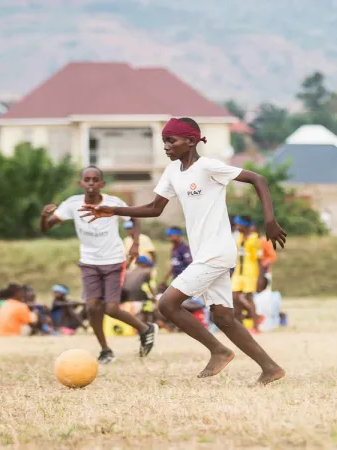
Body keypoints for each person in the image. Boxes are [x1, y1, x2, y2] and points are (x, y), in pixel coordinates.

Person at [79, 117, 286, 385]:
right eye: (164, 140)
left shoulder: (208, 166)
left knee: (166, 304)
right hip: (204, 254)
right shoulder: (172, 172)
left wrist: (269, 220)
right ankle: (270, 368)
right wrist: (114, 210)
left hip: (217, 251)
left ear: (191, 141)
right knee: (223, 317)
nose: (166, 146)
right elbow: (154, 209)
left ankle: (219, 351)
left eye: (171, 140)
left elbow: (257, 179)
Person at [40, 166, 158, 364]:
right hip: (89, 262)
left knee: (111, 308)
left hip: (113, 260)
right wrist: (44, 217)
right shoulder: (72, 204)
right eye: (87, 179)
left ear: (102, 184)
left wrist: (135, 244)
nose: (91, 183)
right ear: (81, 184)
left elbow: (134, 218)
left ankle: (145, 329)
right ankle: (105, 350)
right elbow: (46, 228)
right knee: (92, 306)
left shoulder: (113, 203)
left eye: (95, 180)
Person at [232, 216, 262, 332]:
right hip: (238, 271)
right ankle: (240, 326)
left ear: (245, 226)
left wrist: (259, 277)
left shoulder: (254, 240)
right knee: (234, 297)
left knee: (249, 298)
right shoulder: (238, 238)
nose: (237, 227)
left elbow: (259, 260)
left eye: (239, 224)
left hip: (250, 273)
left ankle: (255, 326)